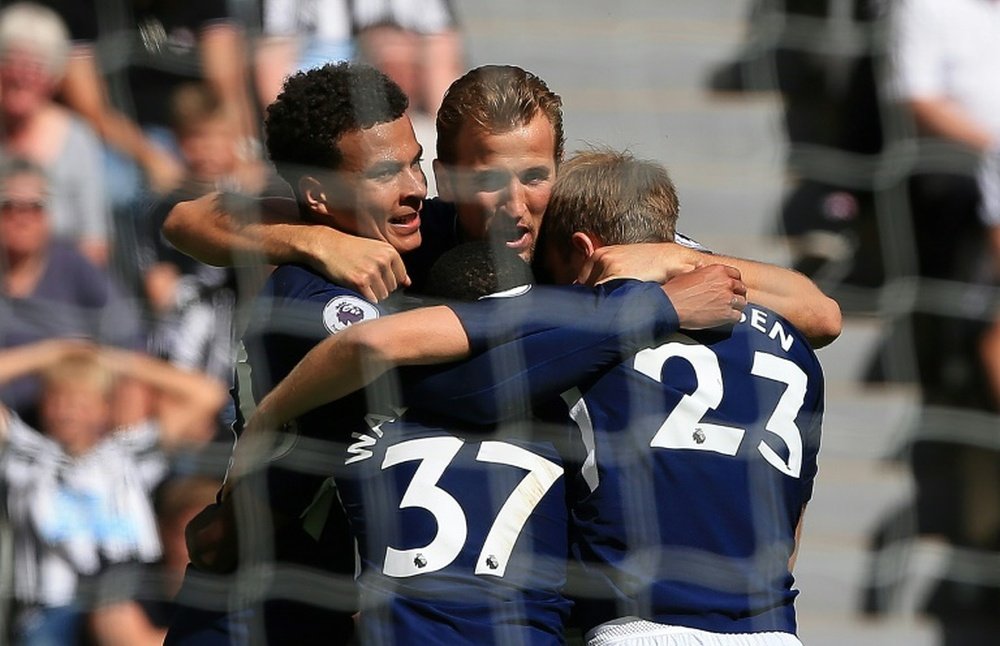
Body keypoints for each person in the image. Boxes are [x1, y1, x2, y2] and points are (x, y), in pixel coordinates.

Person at [241, 149, 826, 645]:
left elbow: (466, 386)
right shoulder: (793, 348)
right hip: (774, 627)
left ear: (581, 249)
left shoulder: (592, 338)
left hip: (644, 626)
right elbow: (792, 521)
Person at [162, 64, 842, 345]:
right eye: (488, 181)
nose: (516, 205)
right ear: (448, 176)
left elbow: (820, 313)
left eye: (535, 176)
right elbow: (185, 219)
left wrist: (666, 258)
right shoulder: (412, 231)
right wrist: (314, 240)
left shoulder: (598, 241)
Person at [0, 339, 225, 645]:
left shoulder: (128, 455)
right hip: (55, 613)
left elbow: (208, 394)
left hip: (135, 599)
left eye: (80, 400)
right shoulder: (26, 454)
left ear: (104, 407)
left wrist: (115, 361)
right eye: (57, 397)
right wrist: (47, 354)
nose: (67, 410)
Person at [0, 157, 140, 416]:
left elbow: (131, 348)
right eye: (9, 206)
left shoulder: (76, 267)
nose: (22, 217)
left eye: (35, 207)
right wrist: (50, 354)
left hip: (73, 417)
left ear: (49, 215)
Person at [0, 1, 110, 266]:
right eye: (12, 60)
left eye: (36, 65)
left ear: (54, 77)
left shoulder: (79, 139)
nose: (22, 75)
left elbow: (95, 243)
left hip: (59, 288)